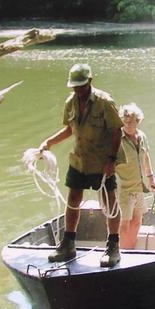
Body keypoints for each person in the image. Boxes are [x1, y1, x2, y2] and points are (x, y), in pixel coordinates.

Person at [39, 63, 124, 267]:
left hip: (101, 161)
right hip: (79, 160)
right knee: (73, 200)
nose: (78, 90)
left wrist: (111, 160)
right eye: (74, 87)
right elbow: (71, 129)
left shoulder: (105, 102)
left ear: (90, 82)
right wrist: (49, 142)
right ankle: (68, 244)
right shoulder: (71, 102)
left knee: (109, 202)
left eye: (81, 86)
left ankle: (113, 246)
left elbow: (116, 131)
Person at [116, 103, 155, 249]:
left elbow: (146, 157)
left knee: (137, 221)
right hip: (124, 189)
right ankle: (121, 252)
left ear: (137, 121)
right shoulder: (116, 139)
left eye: (131, 121)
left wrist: (151, 178)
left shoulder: (141, 137)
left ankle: (130, 248)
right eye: (125, 121)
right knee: (124, 223)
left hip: (139, 188)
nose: (127, 124)